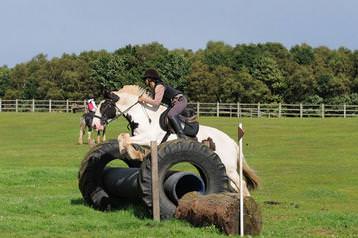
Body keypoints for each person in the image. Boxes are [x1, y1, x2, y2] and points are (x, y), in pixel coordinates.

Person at [138, 69, 188, 138]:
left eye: (145, 79)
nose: (145, 81)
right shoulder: (154, 89)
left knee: (171, 114)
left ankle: (181, 135)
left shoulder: (159, 87)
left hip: (180, 101)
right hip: (173, 104)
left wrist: (144, 99)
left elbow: (156, 102)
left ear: (150, 79)